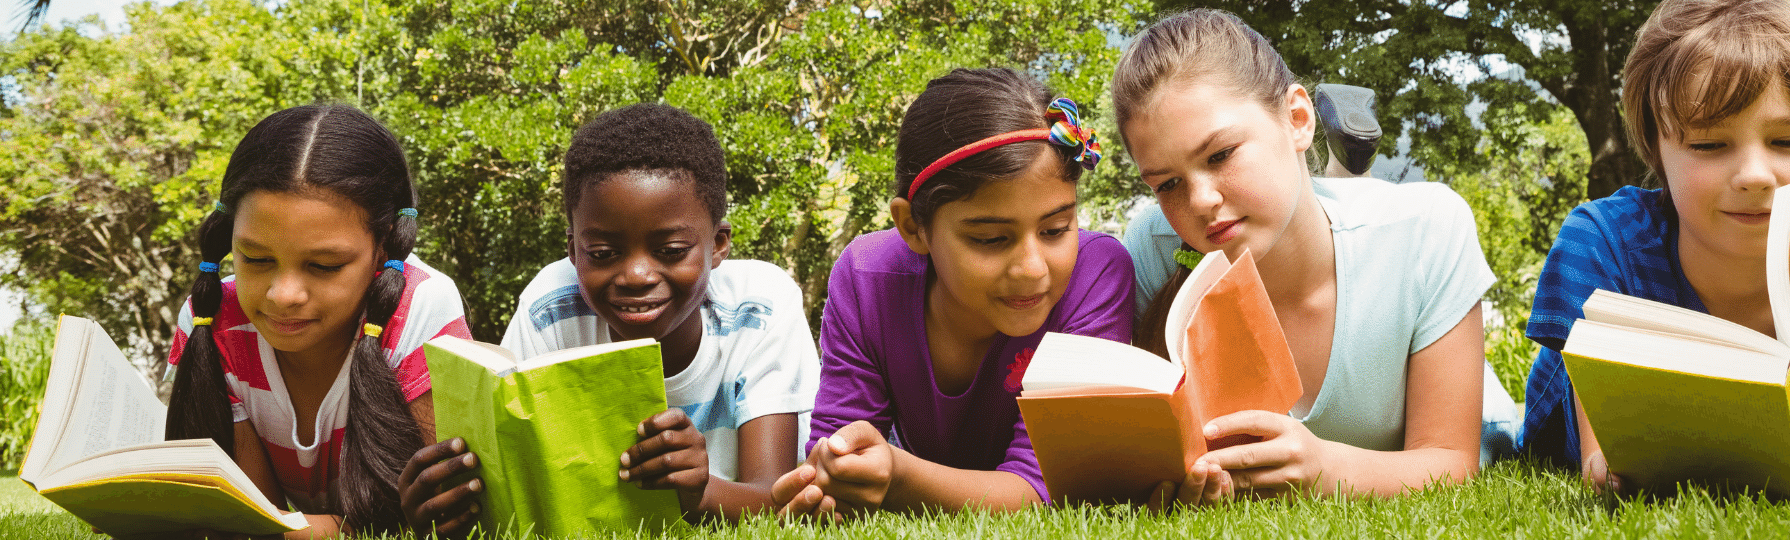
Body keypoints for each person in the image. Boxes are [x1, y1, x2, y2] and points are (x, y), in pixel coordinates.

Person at [1113, 8, 1520, 505]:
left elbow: (1450, 463)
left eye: (1220, 155)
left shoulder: (1427, 230)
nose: (1199, 202)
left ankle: (1345, 167)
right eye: (1168, 183)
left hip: (1490, 424)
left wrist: (1324, 467)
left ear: (1298, 119)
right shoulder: (1156, 247)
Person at [1517, 0, 1790, 491]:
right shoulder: (1602, 240)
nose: (1754, 175)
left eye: (1789, 141)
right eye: (1708, 145)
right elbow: (1605, 464)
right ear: (1656, 150)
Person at [398, 104, 820, 532]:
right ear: (573, 249)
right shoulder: (551, 310)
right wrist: (446, 502)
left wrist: (702, 492)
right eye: (602, 254)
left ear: (720, 243)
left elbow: (779, 499)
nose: (636, 276)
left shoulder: (760, 309)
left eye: (671, 251)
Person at [773, 67, 1135, 516]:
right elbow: (836, 456)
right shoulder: (867, 278)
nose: (1031, 268)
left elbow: (1050, 488)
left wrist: (902, 477)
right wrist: (835, 477)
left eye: (1056, 228)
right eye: (990, 239)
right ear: (912, 226)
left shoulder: (1095, 274)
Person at [164, 104, 472, 537]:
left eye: (324, 265)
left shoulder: (421, 305)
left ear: (384, 248)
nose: (283, 295)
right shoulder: (212, 319)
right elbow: (258, 515)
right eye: (255, 258)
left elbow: (427, 514)